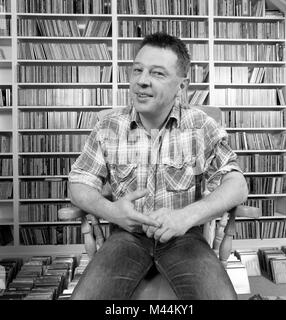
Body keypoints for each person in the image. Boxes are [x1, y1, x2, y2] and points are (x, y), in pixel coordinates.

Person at [68, 32, 249, 300]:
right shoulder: (108, 127)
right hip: (126, 236)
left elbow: (237, 185)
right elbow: (78, 183)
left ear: (182, 86)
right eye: (137, 70)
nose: (141, 81)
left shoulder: (201, 126)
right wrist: (111, 211)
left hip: (184, 237)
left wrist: (187, 216)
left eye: (157, 73)